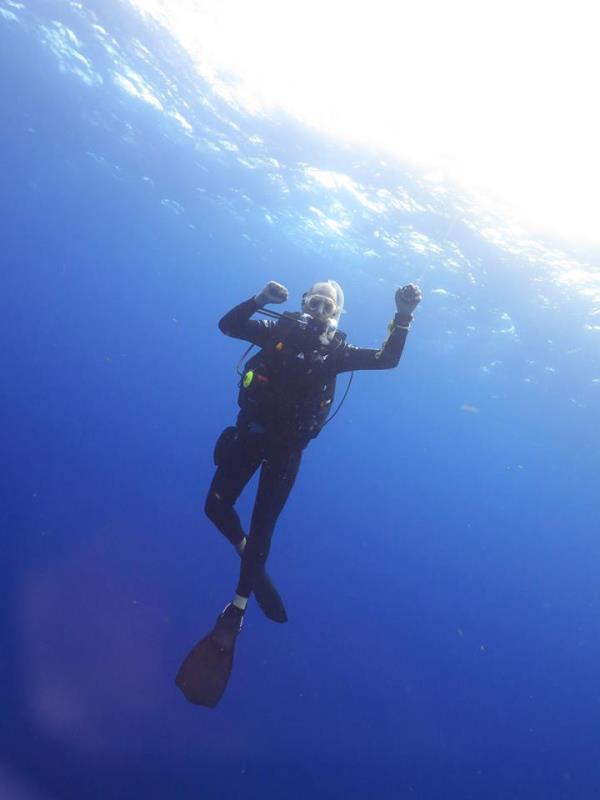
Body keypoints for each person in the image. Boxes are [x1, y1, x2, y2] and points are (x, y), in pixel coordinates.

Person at [176, 278, 422, 706]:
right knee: (215, 507)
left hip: (286, 451)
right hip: (250, 434)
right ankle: (249, 557)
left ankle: (237, 609)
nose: (319, 310)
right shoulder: (276, 330)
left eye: (328, 306)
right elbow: (227, 326)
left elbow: (387, 360)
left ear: (337, 314)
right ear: (304, 303)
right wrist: (259, 299)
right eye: (314, 302)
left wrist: (403, 317)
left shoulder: (337, 353)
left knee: (263, 525)